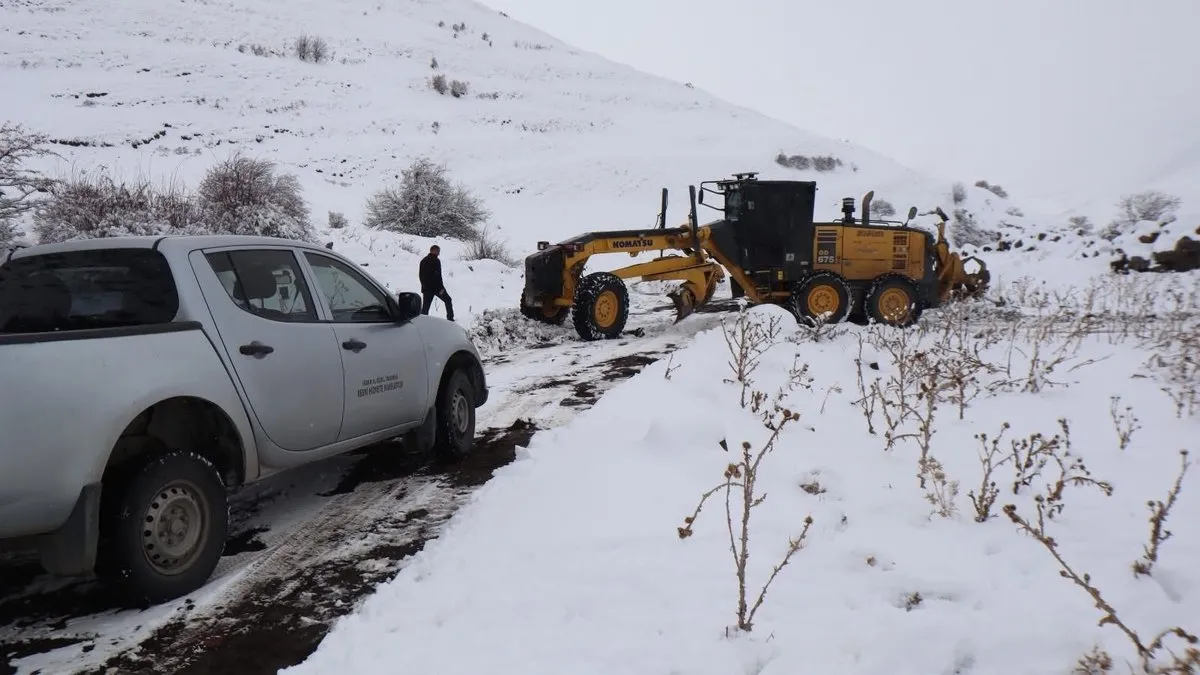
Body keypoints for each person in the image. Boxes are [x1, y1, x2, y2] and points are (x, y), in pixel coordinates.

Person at [418, 244, 454, 321]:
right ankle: (450, 319)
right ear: (434, 250)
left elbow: (420, 276)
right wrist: (441, 288)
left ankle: (421, 322)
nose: (439, 253)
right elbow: (437, 276)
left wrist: (424, 287)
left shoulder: (423, 261)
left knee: (425, 308)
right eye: (438, 251)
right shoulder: (436, 261)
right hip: (436, 288)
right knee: (448, 300)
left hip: (427, 288)